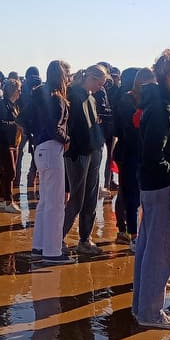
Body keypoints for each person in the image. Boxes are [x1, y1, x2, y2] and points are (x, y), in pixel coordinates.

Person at [131, 49, 170, 329]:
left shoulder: (163, 102)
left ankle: (143, 307)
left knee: (149, 247)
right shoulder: (162, 106)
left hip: (155, 185)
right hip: (162, 187)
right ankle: (151, 312)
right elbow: (153, 154)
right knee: (161, 250)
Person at [29, 60, 74, 265]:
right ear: (61, 76)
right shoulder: (57, 99)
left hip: (39, 148)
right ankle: (52, 251)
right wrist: (66, 140)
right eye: (67, 74)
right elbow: (55, 127)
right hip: (51, 148)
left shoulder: (39, 95)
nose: (69, 77)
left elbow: (24, 119)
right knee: (55, 204)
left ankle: (40, 246)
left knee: (46, 202)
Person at [62, 65, 108, 256]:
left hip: (94, 151)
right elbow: (69, 125)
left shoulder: (90, 97)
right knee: (77, 199)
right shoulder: (72, 94)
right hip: (78, 153)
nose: (101, 87)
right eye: (100, 83)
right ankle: (58, 237)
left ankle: (85, 239)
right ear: (90, 77)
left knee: (90, 198)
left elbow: (93, 122)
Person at [112, 67, 152, 248]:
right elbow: (126, 129)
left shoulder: (150, 100)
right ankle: (127, 232)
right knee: (128, 194)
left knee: (138, 196)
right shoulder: (127, 99)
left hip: (141, 153)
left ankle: (132, 232)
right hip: (128, 153)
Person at [0, 77, 23, 212]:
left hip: (13, 143)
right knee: (10, 172)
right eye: (18, 90)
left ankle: (2, 200)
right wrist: (16, 125)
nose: (20, 92)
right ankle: (9, 201)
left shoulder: (14, 105)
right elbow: (1, 125)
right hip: (3, 144)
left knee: (6, 173)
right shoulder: (2, 105)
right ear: (12, 90)